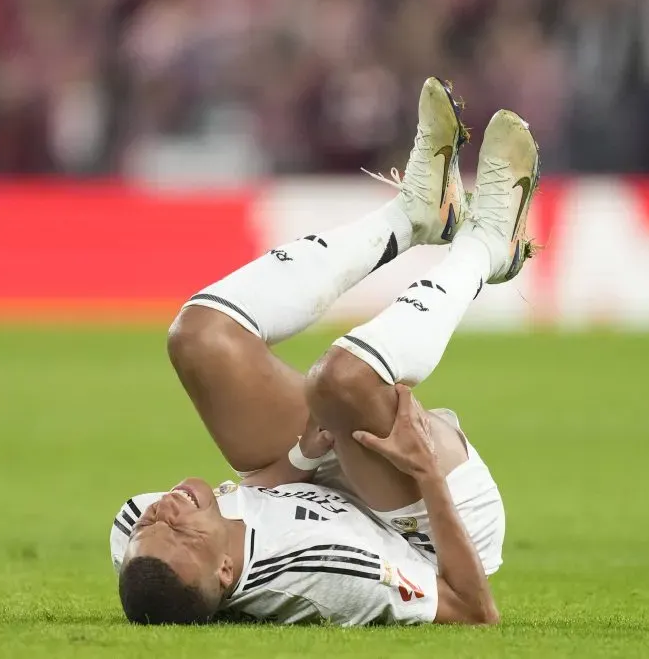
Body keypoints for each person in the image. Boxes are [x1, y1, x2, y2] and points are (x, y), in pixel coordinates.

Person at [110, 77, 541, 626]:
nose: (162, 512)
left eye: (152, 526)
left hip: (314, 472)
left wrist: (302, 460)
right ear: (224, 573)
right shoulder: (324, 571)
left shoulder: (135, 538)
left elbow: (257, 502)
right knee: (340, 381)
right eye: (177, 531)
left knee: (198, 338)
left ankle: (413, 217)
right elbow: (473, 610)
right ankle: (489, 246)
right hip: (429, 525)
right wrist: (427, 472)